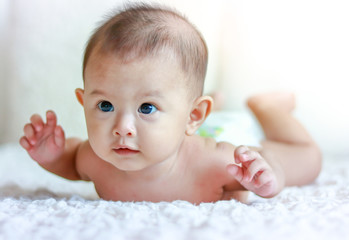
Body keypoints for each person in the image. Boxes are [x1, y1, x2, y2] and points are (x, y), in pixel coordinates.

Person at [19, 3, 321, 204]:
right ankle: (208, 103)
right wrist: (52, 156)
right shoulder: (95, 159)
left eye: (146, 108)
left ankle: (266, 107)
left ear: (193, 115)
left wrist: (269, 178)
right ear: (83, 103)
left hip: (227, 136)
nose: (122, 129)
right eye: (106, 106)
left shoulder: (217, 164)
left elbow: (271, 169)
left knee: (309, 161)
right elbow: (72, 162)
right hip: (192, 125)